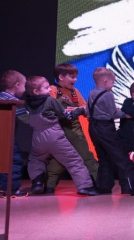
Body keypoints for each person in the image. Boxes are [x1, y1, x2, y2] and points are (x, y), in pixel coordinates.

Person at [24, 76, 99, 196]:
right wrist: (80, 110)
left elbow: (26, 118)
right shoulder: (50, 101)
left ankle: (37, 183)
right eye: (46, 88)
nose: (50, 89)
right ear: (36, 91)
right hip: (54, 136)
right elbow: (67, 116)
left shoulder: (28, 103)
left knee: (35, 159)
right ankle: (85, 186)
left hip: (37, 137)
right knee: (74, 161)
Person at [87, 67, 134, 195]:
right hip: (105, 128)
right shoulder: (108, 94)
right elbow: (113, 114)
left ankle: (104, 186)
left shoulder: (92, 92)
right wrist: (125, 114)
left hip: (93, 128)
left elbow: (89, 112)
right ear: (105, 82)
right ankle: (130, 187)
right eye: (113, 82)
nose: (113, 85)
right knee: (121, 157)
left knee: (104, 158)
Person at [46, 63, 99, 194]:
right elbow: (48, 109)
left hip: (74, 130)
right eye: (72, 77)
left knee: (86, 157)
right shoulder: (52, 90)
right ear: (61, 77)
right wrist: (64, 111)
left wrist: (79, 110)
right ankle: (48, 186)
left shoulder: (75, 92)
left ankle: (98, 183)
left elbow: (86, 108)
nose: (75, 80)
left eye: (76, 77)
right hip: (57, 130)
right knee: (59, 161)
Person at [0, 70, 28, 198]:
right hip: (7, 137)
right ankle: (11, 189)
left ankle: (2, 187)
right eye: (24, 86)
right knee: (14, 161)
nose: (25, 90)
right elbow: (26, 119)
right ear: (17, 85)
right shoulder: (13, 101)